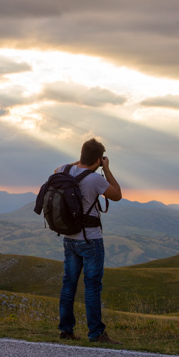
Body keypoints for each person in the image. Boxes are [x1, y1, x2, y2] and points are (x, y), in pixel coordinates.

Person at [56, 138, 123, 344]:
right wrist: (106, 168)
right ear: (97, 160)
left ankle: (66, 330)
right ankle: (96, 333)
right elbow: (117, 195)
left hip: (69, 238)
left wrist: (87, 161)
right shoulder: (95, 180)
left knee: (69, 284)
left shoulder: (61, 170)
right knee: (92, 286)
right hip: (91, 239)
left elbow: (76, 165)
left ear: (81, 155)